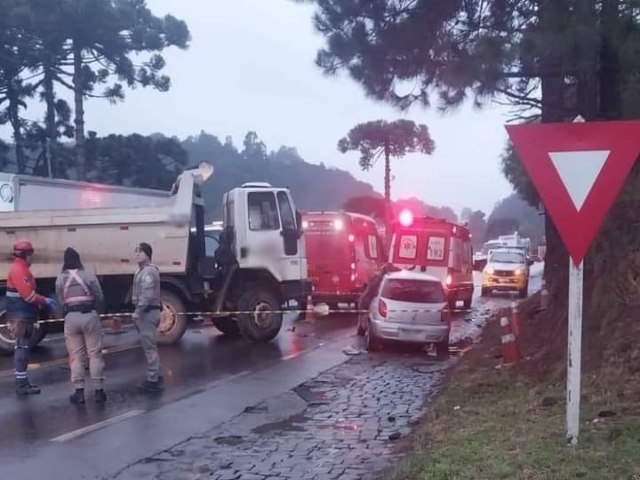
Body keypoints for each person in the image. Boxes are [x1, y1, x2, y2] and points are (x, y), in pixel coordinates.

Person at [6, 239, 57, 396]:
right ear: (25, 254)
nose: (32, 258)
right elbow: (28, 296)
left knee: (23, 349)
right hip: (21, 316)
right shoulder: (19, 270)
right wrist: (44, 300)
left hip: (22, 314)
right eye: (31, 254)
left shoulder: (20, 268)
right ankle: (21, 384)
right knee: (22, 349)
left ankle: (23, 381)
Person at [55, 248, 106, 405]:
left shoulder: (60, 279)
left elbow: (60, 300)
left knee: (76, 357)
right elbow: (99, 295)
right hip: (89, 315)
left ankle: (79, 393)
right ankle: (98, 392)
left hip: (71, 318)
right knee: (94, 354)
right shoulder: (89, 275)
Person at [132, 242, 163, 392]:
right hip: (147, 312)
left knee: (149, 347)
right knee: (150, 346)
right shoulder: (141, 271)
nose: (137, 254)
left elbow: (147, 293)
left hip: (148, 313)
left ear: (148, 255)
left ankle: (153, 379)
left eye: (141, 252)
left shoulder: (149, 272)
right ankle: (157, 374)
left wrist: (138, 311)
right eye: (136, 251)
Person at [356, 263, 399, 336]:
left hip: (367, 301)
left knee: (365, 319)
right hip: (368, 301)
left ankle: (363, 329)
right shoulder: (382, 279)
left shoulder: (377, 278)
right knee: (365, 318)